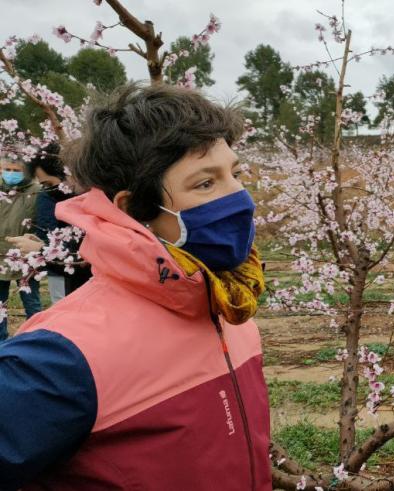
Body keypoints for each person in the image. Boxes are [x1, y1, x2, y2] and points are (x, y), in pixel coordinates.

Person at [0, 83, 271, 489]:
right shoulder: (62, 357)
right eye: (205, 184)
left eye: (234, 173)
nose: (239, 197)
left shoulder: (230, 311)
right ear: (134, 209)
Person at [6, 143, 93, 304]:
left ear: (69, 174)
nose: (47, 191)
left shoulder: (91, 208)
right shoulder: (59, 198)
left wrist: (41, 249)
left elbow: (84, 261)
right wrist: (42, 245)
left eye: (47, 184)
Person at [0, 157, 43, 341]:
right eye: (7, 169)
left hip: (27, 256)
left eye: (16, 170)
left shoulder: (37, 192)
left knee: (32, 301)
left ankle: (35, 339)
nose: (11, 173)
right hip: (1, 254)